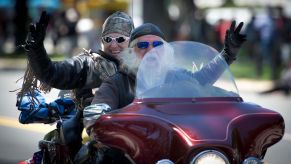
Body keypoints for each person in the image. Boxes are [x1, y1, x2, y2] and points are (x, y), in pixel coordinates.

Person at [83, 21, 247, 130]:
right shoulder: (117, 83)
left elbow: (202, 80)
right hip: (132, 152)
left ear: (166, 51)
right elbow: (96, 113)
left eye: (157, 45)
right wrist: (100, 117)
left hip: (175, 145)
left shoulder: (176, 76)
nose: (151, 51)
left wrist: (227, 54)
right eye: (143, 45)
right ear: (132, 53)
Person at [20, 10, 134, 108]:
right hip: (94, 129)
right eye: (108, 39)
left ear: (132, 41)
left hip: (135, 129)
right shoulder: (89, 65)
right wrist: (37, 50)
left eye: (120, 39)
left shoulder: (142, 68)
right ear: (102, 41)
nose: (113, 45)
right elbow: (51, 73)